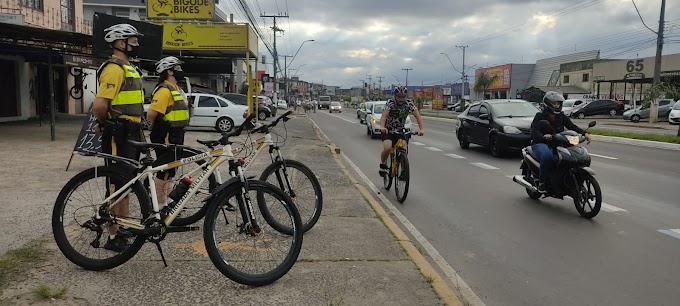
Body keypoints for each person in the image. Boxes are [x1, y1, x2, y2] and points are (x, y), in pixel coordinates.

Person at [92, 23, 145, 252]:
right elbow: (100, 104)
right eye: (132, 40)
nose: (136, 44)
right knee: (116, 183)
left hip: (132, 131)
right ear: (119, 42)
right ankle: (113, 236)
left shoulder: (129, 67)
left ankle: (123, 226)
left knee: (127, 182)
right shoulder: (114, 68)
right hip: (119, 132)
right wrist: (105, 123)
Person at [146, 56, 189, 209]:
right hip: (165, 134)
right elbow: (152, 113)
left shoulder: (177, 89)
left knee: (171, 169)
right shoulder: (164, 90)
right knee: (164, 169)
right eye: (177, 68)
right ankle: (159, 203)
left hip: (176, 133)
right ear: (169, 71)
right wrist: (151, 130)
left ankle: (167, 200)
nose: (181, 71)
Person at [530, 91, 592, 193]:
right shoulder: (539, 116)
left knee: (573, 156)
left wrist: (585, 134)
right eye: (554, 103)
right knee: (547, 156)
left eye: (558, 103)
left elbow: (572, 126)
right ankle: (542, 182)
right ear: (547, 103)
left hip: (557, 141)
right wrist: (543, 137)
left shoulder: (561, 116)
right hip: (541, 143)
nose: (556, 105)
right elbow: (534, 131)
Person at [378, 86, 425, 176]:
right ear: (395, 96)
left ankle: (404, 171)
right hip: (388, 130)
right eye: (399, 96)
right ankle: (383, 164)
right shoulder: (390, 103)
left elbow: (418, 116)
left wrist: (421, 129)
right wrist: (382, 127)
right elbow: (384, 116)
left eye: (403, 97)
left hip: (400, 130)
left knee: (404, 149)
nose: (401, 99)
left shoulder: (409, 104)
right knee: (387, 147)